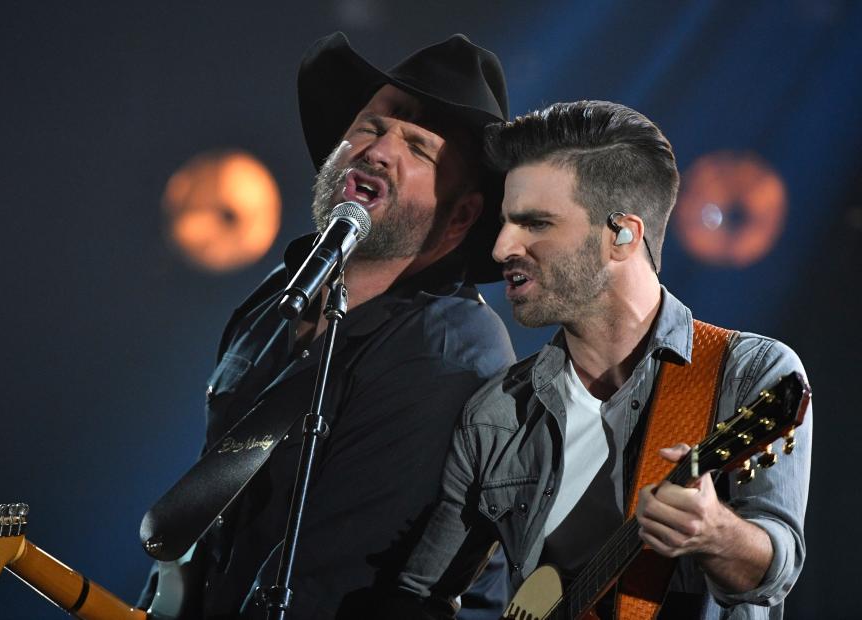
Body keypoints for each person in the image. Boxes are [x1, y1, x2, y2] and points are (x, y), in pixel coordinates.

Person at [138, 33, 516, 619]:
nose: (378, 149)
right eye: (371, 125)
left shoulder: (444, 358)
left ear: (460, 217)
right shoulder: (271, 302)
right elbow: (208, 536)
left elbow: (326, 585)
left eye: (418, 147)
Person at [386, 101, 812, 619]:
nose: (501, 248)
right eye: (504, 223)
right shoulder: (495, 414)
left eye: (535, 223)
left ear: (622, 235)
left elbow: (774, 572)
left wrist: (715, 532)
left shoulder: (748, 374)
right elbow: (418, 594)